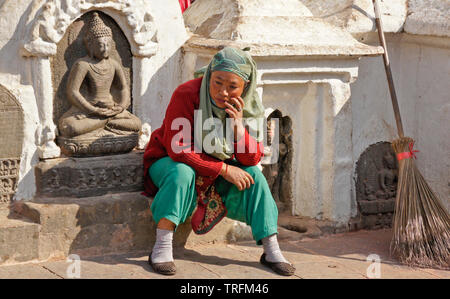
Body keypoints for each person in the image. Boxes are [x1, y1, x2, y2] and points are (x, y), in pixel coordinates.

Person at [143, 47, 295, 276]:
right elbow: (178, 149)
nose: (223, 92)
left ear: (245, 86)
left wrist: (238, 129)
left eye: (232, 86)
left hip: (212, 171)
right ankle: (161, 247)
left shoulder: (248, 105)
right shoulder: (187, 94)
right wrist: (223, 169)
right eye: (217, 82)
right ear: (209, 75)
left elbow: (252, 158)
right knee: (182, 173)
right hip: (169, 162)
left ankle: (271, 249)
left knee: (254, 176)